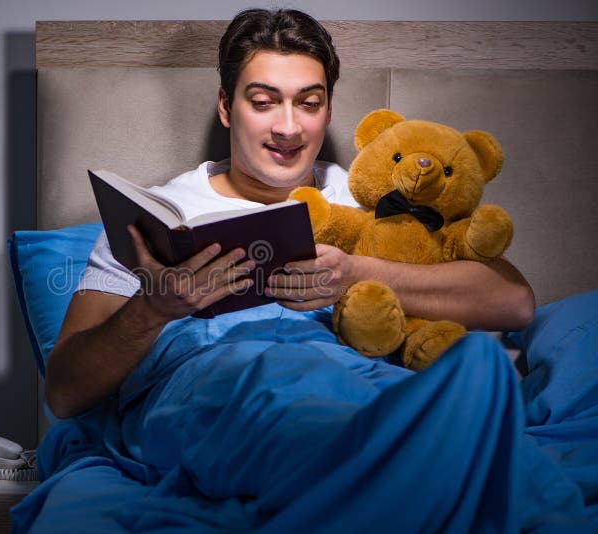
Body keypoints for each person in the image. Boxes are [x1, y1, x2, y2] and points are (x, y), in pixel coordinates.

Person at [44, 8, 535, 420]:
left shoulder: (372, 195)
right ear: (226, 106)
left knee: (480, 372)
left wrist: (354, 272)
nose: (288, 127)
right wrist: (153, 308)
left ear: (327, 109)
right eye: (263, 102)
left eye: (309, 103)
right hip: (223, 407)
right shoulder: (155, 218)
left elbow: (513, 303)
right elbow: (64, 393)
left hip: (363, 399)